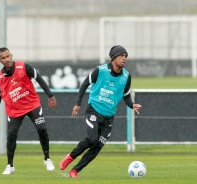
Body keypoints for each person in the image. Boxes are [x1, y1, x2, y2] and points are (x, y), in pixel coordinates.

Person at [59, 45, 142, 178]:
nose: (124, 58)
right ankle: (70, 157)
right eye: (121, 55)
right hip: (94, 111)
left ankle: (74, 171)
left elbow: (126, 95)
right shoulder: (100, 70)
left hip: (109, 117)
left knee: (97, 146)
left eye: (126, 56)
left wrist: (132, 105)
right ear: (114, 57)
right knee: (91, 139)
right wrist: (78, 103)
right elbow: (85, 83)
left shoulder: (126, 76)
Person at [0, 47, 57, 175]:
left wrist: (50, 95)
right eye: (3, 58)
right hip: (14, 110)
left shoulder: (24, 67)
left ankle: (47, 159)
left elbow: (39, 79)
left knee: (42, 129)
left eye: (8, 56)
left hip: (32, 105)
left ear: (11, 55)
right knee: (11, 135)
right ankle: (10, 165)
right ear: (0, 60)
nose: (7, 59)